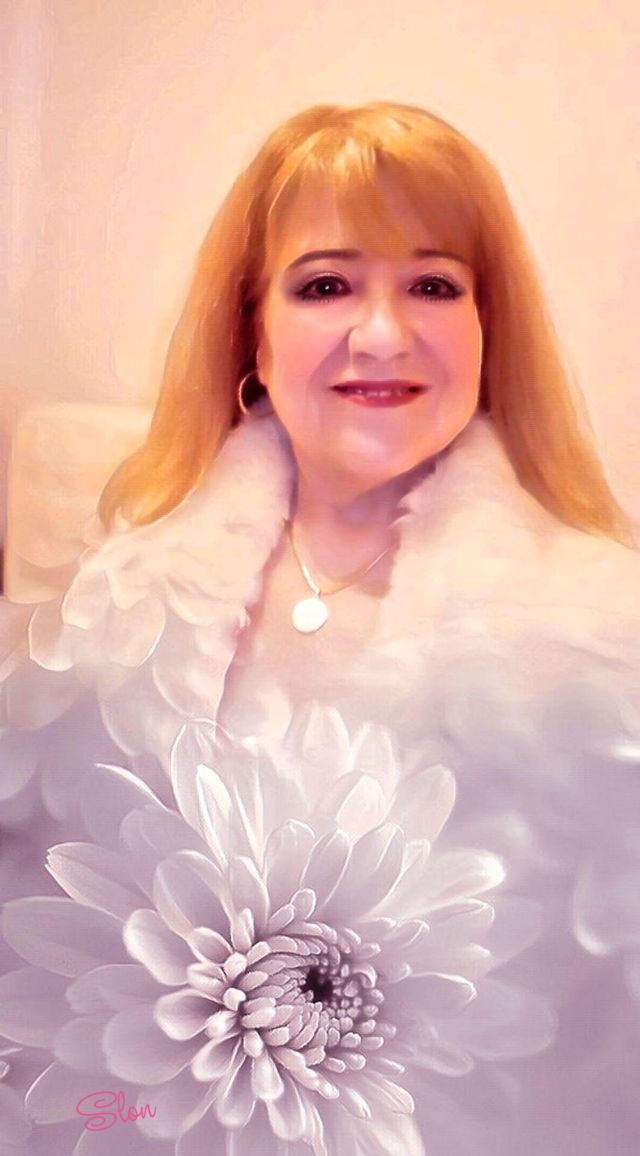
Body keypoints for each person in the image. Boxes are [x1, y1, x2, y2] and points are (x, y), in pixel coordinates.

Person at [1, 101, 639, 1155]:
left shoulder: (604, 654)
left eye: (433, 285)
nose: (382, 334)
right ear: (252, 329)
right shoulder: (112, 604)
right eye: (326, 285)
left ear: (488, 330)